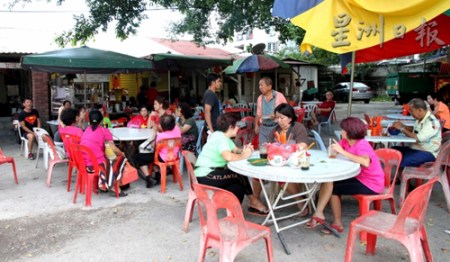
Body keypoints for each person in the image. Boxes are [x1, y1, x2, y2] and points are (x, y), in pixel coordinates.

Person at [306, 117, 384, 235]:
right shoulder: (346, 142)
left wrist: (342, 152)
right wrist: (333, 149)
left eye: (343, 130)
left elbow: (365, 162)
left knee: (334, 187)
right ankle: (319, 212)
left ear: (350, 132)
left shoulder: (362, 144)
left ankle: (337, 223)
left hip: (371, 183)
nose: (341, 132)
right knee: (329, 181)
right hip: (359, 177)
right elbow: (335, 150)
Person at [195, 113, 267, 210]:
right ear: (231, 126)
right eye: (237, 125)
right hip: (207, 176)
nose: (239, 128)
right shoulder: (221, 139)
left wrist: (244, 150)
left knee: (238, 186)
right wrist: (244, 155)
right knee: (239, 175)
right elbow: (228, 156)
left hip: (204, 174)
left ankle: (237, 208)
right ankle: (253, 201)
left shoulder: (219, 135)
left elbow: (235, 150)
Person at [251, 103, 309, 216]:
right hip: (278, 161)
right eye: (277, 118)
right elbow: (272, 146)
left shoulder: (298, 128)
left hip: (294, 162)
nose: (279, 121)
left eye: (282, 118)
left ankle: (300, 200)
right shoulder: (276, 130)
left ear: (290, 118)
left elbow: (303, 145)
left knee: (281, 178)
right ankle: (255, 200)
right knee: (257, 175)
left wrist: (288, 147)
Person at [80, 110, 127, 196]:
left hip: (83, 164)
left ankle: (103, 183)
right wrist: (122, 153)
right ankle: (114, 186)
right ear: (101, 120)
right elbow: (113, 148)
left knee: (108, 158)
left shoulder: (86, 130)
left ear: (89, 120)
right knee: (120, 159)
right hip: (95, 165)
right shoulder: (104, 131)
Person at [392, 98, 442, 168]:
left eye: (412, 111)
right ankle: (397, 176)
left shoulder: (431, 122)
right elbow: (415, 130)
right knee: (392, 151)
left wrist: (401, 128)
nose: (410, 113)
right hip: (415, 149)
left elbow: (417, 138)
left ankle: (401, 177)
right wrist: (402, 126)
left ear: (420, 110)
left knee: (405, 161)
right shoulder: (420, 119)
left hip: (428, 152)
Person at [135, 114, 182, 188]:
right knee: (151, 156)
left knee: (138, 157)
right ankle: (157, 174)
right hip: (175, 156)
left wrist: (154, 132)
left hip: (163, 158)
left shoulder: (160, 136)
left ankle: (148, 179)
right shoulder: (177, 129)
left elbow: (154, 147)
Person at [255, 76, 287, 146]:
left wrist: (276, 115)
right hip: (263, 127)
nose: (260, 87)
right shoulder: (260, 98)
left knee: (275, 149)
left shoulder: (279, 96)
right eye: (259, 85)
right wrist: (256, 126)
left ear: (269, 86)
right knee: (263, 149)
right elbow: (258, 114)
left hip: (276, 127)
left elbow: (286, 110)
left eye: (262, 85)